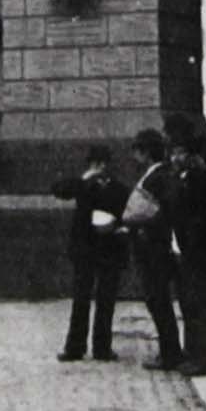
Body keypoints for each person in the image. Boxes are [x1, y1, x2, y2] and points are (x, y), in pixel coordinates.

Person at [51, 144, 128, 362]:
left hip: (97, 249)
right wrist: (86, 178)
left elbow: (58, 188)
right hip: (96, 249)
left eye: (99, 164)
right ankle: (88, 348)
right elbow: (59, 189)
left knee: (95, 299)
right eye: (95, 164)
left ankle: (89, 347)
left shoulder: (109, 188)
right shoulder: (90, 186)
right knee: (92, 299)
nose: (99, 168)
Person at [163, 113, 206, 376]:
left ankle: (205, 358)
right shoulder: (186, 174)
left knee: (199, 304)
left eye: (178, 152)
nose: (174, 158)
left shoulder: (197, 175)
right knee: (189, 302)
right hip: (188, 249)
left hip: (197, 251)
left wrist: (190, 248)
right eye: (172, 153)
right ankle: (194, 353)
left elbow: (200, 216)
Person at [123, 128, 181, 371]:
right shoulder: (158, 173)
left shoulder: (157, 176)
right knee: (157, 300)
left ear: (145, 152)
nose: (135, 155)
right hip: (150, 244)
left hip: (153, 247)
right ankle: (170, 351)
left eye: (138, 150)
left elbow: (158, 211)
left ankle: (170, 353)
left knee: (158, 299)